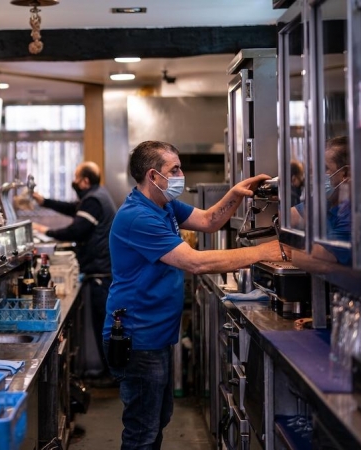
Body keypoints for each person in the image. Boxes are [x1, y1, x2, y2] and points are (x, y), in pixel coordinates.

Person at [104, 141, 286, 450]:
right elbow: (195, 262)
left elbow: (207, 221)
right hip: (138, 339)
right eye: (173, 170)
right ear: (153, 176)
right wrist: (264, 252)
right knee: (142, 432)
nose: (180, 175)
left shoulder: (163, 205)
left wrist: (234, 193)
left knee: (156, 421)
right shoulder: (138, 217)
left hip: (156, 335)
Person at [32, 161, 116, 379]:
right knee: (103, 327)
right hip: (101, 272)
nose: (74, 183)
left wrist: (45, 230)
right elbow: (72, 208)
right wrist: (44, 201)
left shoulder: (95, 201)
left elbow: (77, 230)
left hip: (101, 274)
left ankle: (110, 376)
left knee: (104, 328)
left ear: (85, 181)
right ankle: (110, 373)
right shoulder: (94, 196)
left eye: (76, 178)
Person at [291, 136, 350, 265]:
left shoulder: (350, 213)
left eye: (324, 169)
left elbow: (320, 256)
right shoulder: (326, 203)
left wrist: (283, 249)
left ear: (345, 174)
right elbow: (288, 218)